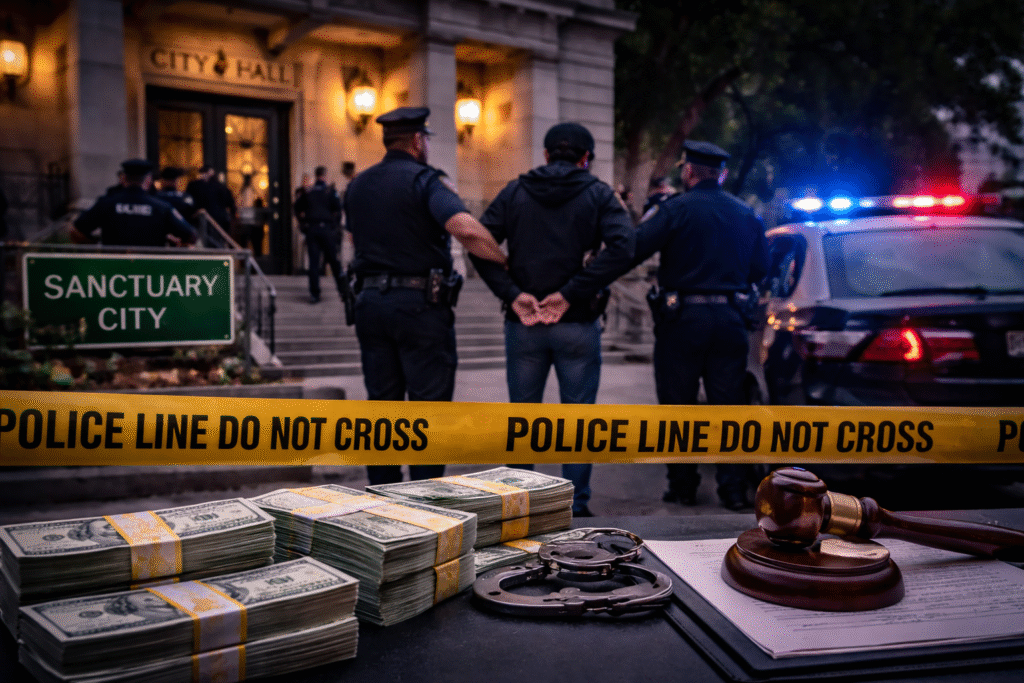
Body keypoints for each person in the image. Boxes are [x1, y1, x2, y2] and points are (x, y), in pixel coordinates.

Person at [471, 122, 635, 517]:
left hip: (524, 324)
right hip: (577, 321)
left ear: (545, 155)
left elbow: (478, 241)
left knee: (524, 418)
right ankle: (574, 506)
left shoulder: (514, 191)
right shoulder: (598, 194)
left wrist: (513, 295)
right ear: (586, 158)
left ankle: (521, 506)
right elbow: (625, 245)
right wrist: (571, 292)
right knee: (578, 419)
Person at [344, 106, 508, 486]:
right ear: (418, 141)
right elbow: (465, 229)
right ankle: (423, 496)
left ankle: (383, 495)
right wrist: (502, 259)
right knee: (429, 410)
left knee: (381, 408)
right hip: (419, 308)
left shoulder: (358, 185)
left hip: (370, 305)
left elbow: (354, 238)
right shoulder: (426, 181)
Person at [630, 140, 769, 511]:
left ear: (688, 171)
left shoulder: (674, 209)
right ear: (721, 174)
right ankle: (733, 491)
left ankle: (683, 486)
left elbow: (635, 248)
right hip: (729, 321)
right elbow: (760, 270)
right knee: (729, 409)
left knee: (679, 406)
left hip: (682, 321)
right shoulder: (747, 213)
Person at [69, 159, 198, 247]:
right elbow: (190, 235)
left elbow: (75, 231)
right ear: (148, 181)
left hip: (113, 272)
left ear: (123, 179)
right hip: (151, 272)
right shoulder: (162, 207)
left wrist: (94, 243)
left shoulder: (106, 203)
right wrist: (175, 245)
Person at [294, 165, 345, 304]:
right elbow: (339, 209)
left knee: (314, 263)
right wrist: (334, 224)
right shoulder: (330, 191)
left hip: (312, 229)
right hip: (326, 229)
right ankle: (342, 290)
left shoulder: (308, 192)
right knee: (334, 261)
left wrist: (303, 223)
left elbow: (297, 207)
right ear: (325, 176)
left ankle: (314, 294)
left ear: (316, 176)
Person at [186, 164, 236, 237]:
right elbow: (231, 205)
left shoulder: (193, 186)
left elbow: (188, 203)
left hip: (200, 221)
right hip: (218, 222)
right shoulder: (221, 187)